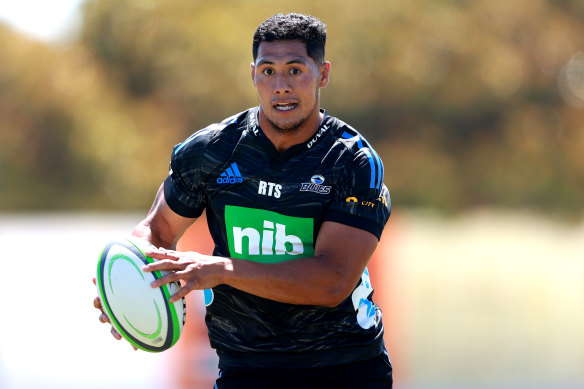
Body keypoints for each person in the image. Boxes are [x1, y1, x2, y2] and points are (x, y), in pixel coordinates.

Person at [94, 13, 393, 389]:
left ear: (324, 74)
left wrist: (220, 269)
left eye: (295, 70)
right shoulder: (211, 151)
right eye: (268, 71)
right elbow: (157, 229)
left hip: (345, 367)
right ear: (253, 74)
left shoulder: (352, 162)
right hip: (244, 369)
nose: (281, 86)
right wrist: (131, 285)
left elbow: (332, 282)